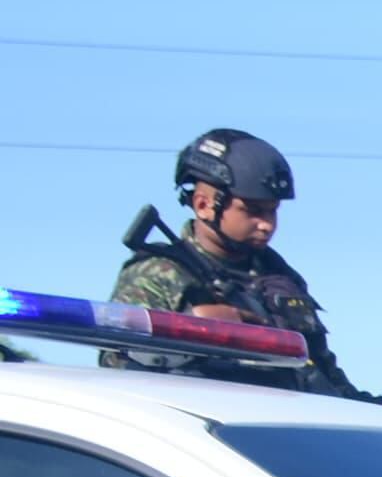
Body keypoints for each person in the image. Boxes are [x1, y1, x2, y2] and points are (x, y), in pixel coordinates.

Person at [107, 128, 367, 400]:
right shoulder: (159, 274)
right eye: (253, 211)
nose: (267, 224)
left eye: (272, 210)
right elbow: (119, 367)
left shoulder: (281, 278)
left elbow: (324, 369)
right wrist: (194, 329)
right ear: (204, 205)